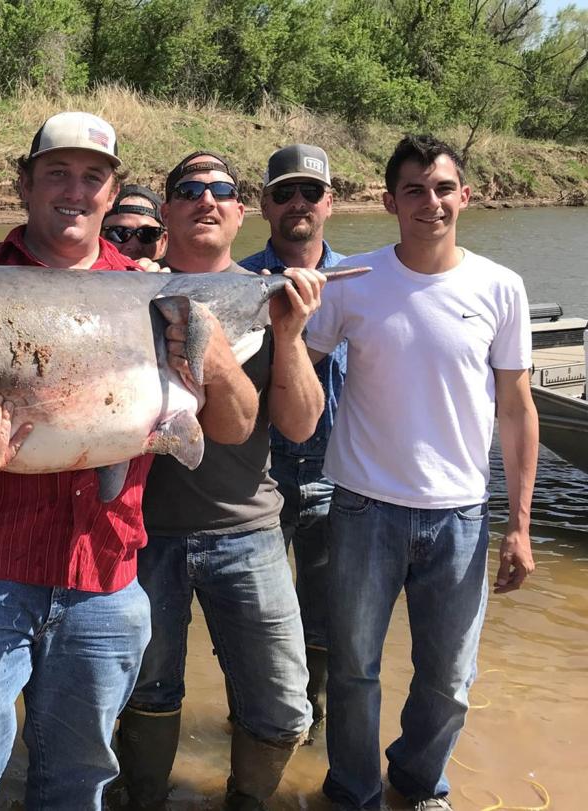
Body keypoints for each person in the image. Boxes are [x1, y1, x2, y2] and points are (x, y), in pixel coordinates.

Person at [0, 114, 259, 811]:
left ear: (114, 189)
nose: (76, 190)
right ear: (25, 183)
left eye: (93, 176)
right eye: (57, 173)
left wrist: (211, 357)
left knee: (79, 782)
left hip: (104, 578)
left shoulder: (162, 295)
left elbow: (235, 424)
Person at [308, 135, 538, 811]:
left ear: (466, 196)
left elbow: (519, 410)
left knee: (449, 679)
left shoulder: (501, 287)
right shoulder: (352, 282)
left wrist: (519, 526)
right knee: (354, 671)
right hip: (361, 506)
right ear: (389, 201)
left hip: (461, 515)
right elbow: (297, 366)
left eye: (442, 188)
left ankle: (416, 780)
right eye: (413, 189)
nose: (430, 202)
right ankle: (352, 791)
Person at [118, 151, 327, 811]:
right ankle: (144, 798)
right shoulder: (128, 292)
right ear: (168, 212)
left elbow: (298, 427)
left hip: (248, 529)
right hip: (144, 532)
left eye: (221, 190)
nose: (206, 199)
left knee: (284, 703)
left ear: (241, 211)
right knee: (147, 693)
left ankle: (248, 800)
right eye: (188, 190)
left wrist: (290, 337)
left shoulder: (272, 295)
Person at [238, 144, 347, 742]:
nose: (297, 202)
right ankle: (253, 722)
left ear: (331, 202)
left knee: (330, 622)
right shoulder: (237, 281)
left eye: (310, 191)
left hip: (341, 476)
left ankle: (315, 731)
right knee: (256, 627)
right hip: (260, 478)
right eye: (284, 192)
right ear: (263, 204)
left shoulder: (363, 281)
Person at [100, 183, 168, 262]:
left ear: (162, 243)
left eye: (147, 234)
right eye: (119, 233)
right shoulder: (84, 272)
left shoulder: (179, 274)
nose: (133, 246)